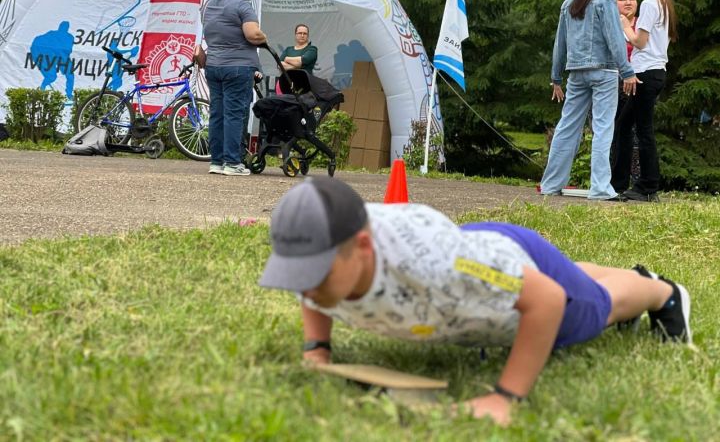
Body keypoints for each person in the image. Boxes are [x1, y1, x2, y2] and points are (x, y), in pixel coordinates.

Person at [259, 177, 692, 426]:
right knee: (560, 278)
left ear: (363, 246)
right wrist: (317, 350)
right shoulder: (330, 252)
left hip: (501, 256)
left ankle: (660, 291)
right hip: (483, 256)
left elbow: (546, 297)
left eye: (316, 274)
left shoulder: (437, 262)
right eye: (298, 274)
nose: (306, 288)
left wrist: (505, 398)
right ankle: (579, 270)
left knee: (593, 307)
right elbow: (312, 291)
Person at [540, 0, 639, 201]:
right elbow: (615, 40)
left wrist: (556, 78)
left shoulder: (569, 4)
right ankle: (599, 188)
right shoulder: (605, 2)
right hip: (604, 72)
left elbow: (559, 44)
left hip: (576, 74)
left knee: (567, 126)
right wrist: (627, 71)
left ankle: (551, 184)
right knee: (603, 128)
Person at [611, 0, 677, 202]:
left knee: (642, 130)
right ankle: (623, 183)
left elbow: (639, 42)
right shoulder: (665, 3)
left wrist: (626, 25)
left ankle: (647, 186)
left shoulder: (650, 3)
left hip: (646, 73)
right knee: (625, 125)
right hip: (656, 71)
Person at [202, 0, 267, 176]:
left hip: (213, 65)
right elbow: (252, 35)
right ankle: (232, 162)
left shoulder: (211, 4)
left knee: (217, 115)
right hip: (238, 67)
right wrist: (264, 37)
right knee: (234, 115)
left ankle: (217, 161)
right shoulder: (242, 5)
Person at [610, 0, 641, 188]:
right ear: (614, 3)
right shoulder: (609, 24)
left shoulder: (640, 24)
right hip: (611, 83)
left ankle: (624, 182)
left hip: (635, 83)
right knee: (611, 132)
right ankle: (609, 180)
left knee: (629, 133)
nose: (629, 2)